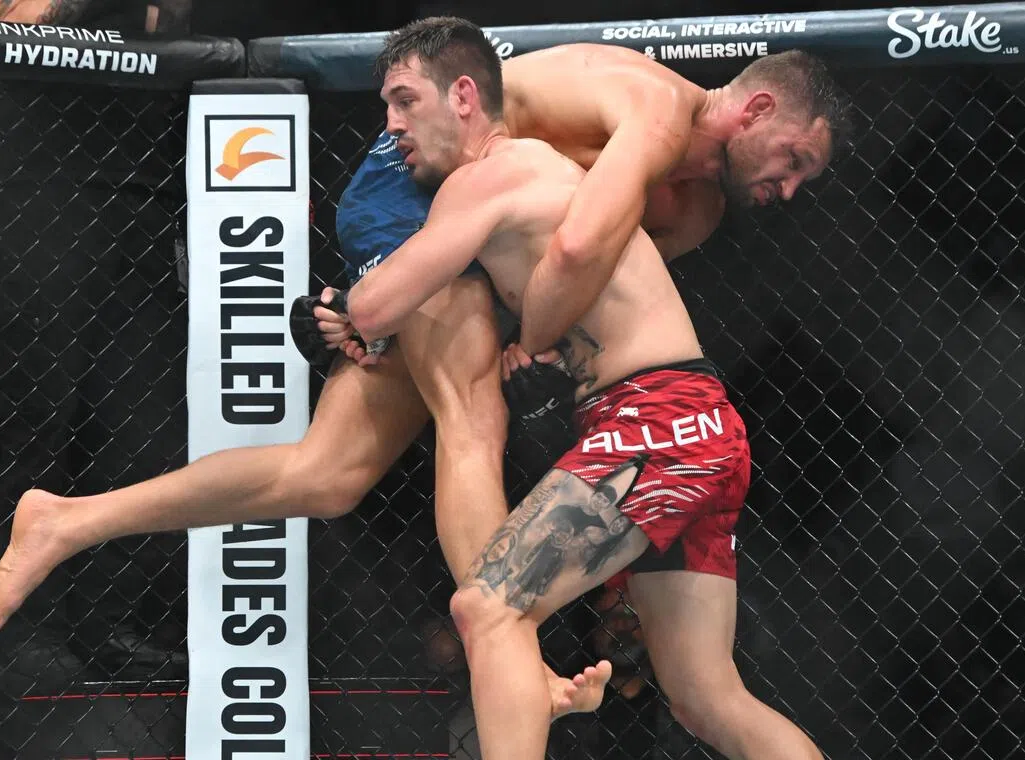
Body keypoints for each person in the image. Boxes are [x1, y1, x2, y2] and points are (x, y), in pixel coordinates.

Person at [0, 15, 845, 715]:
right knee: (472, 413)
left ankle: (66, 519)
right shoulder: (654, 111)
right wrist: (501, 329)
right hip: (419, 189)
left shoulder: (696, 213)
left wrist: (525, 330)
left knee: (327, 473)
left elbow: (583, 279)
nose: (789, 187)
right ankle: (507, 659)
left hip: (484, 244)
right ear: (757, 110)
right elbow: (576, 248)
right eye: (794, 159)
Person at [321, 17, 839, 760]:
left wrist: (343, 312)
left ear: (463, 99)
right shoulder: (594, 169)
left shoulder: (505, 171)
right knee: (706, 697)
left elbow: (377, 306)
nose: (394, 131)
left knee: (489, 608)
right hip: (699, 424)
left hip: (657, 422)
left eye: (407, 106)